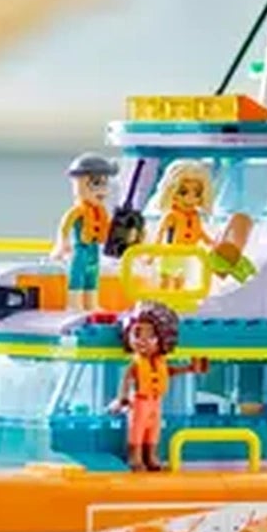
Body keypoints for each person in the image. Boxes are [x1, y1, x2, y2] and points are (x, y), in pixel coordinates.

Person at [114, 301, 202, 471]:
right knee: (137, 429)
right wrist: (123, 398)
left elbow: (168, 372)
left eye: (150, 336)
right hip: (139, 401)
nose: (143, 341)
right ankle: (135, 457)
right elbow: (126, 380)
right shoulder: (136, 363)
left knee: (153, 429)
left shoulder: (160, 361)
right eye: (137, 334)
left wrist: (188, 368)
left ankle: (151, 456)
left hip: (156, 401)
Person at [55, 153, 117, 308]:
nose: (102, 190)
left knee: (92, 276)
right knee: (78, 275)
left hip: (94, 248)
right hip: (81, 248)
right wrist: (63, 243)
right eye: (96, 183)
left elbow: (108, 229)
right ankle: (74, 304)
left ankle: (92, 303)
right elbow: (65, 226)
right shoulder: (78, 211)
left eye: (105, 184)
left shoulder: (101, 212)